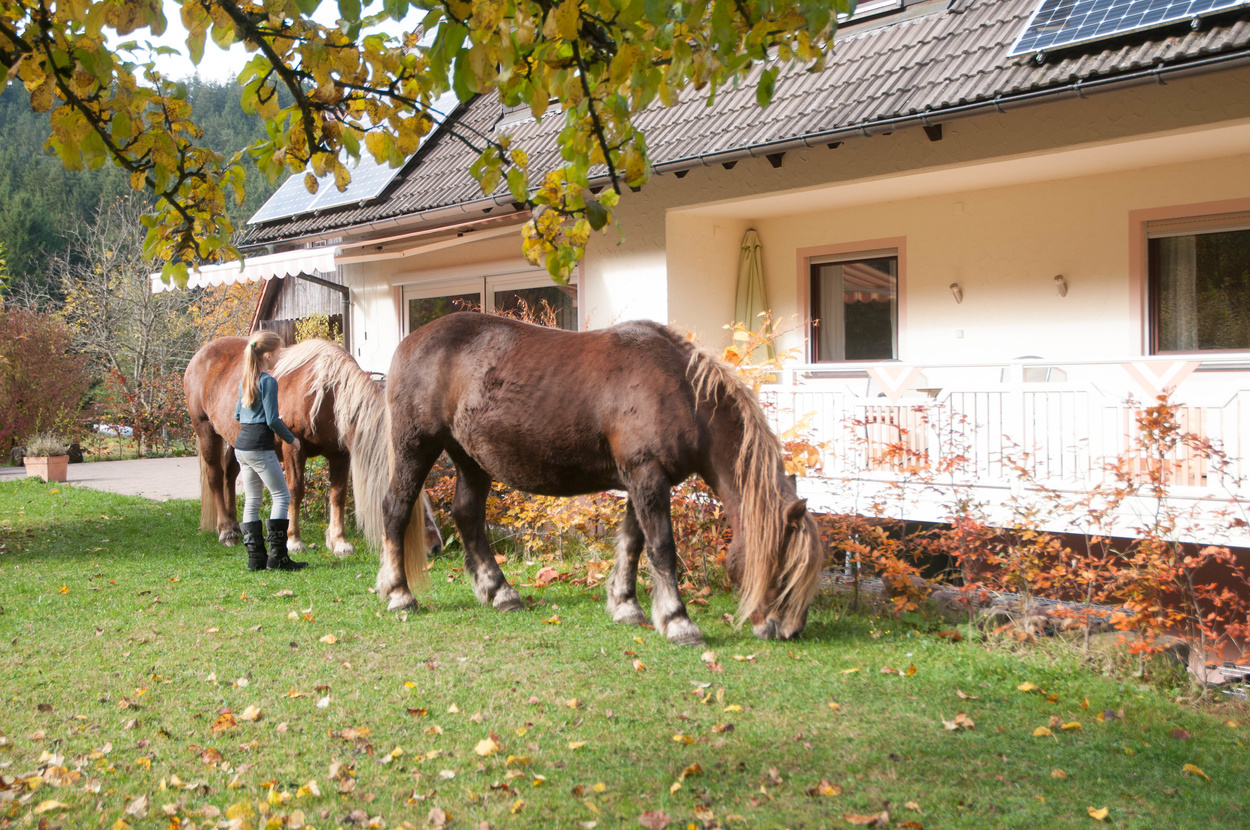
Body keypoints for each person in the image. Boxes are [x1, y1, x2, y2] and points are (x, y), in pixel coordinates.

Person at [234, 330, 307, 571]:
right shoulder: (268, 381)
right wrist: (292, 440)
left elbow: (238, 414)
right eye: (278, 353)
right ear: (267, 355)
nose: (279, 357)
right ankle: (278, 558)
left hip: (242, 446)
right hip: (260, 447)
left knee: (252, 500)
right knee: (282, 496)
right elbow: (272, 420)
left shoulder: (245, 379)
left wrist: (262, 415)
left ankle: (255, 559)